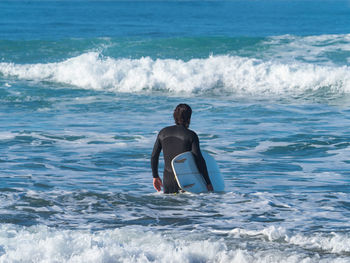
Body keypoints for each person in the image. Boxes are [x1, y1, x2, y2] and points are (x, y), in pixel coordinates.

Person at [151, 104, 213, 193]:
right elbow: (198, 159)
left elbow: (154, 156)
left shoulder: (163, 132)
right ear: (189, 117)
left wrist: (155, 176)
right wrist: (208, 182)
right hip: (186, 180)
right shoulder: (191, 135)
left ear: (174, 116)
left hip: (168, 181)